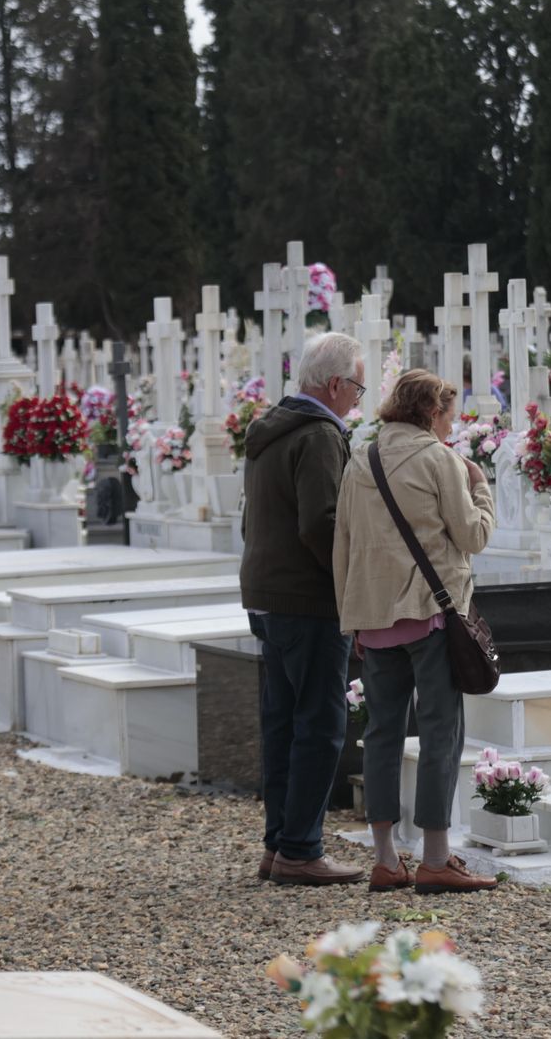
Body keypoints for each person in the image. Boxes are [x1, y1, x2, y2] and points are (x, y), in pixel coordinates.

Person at [334, 370, 497, 894]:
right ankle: (435, 857)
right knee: (439, 732)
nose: (450, 426)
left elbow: (343, 544)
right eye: (448, 416)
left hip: (374, 616)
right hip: (430, 612)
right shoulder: (441, 459)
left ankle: (384, 859)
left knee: (381, 733)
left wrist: (351, 616)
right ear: (431, 413)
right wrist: (481, 487)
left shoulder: (361, 458)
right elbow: (472, 536)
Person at [241, 331, 367, 886]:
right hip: (308, 598)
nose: (359, 400)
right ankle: (301, 848)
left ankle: (280, 844)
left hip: (268, 592)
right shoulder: (318, 435)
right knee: (319, 723)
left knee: (283, 720)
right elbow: (322, 523)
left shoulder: (273, 428)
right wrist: (353, 590)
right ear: (336, 384)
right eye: (358, 388)